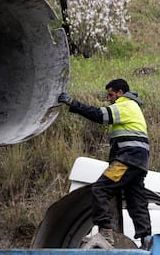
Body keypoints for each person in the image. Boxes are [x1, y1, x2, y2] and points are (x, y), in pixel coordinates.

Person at [58, 78, 151, 249]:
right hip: (139, 163)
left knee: (100, 189)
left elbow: (99, 115)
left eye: (111, 95)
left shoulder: (125, 105)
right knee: (136, 200)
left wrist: (73, 103)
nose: (109, 99)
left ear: (120, 93)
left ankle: (106, 230)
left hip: (127, 161)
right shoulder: (133, 108)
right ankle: (147, 238)